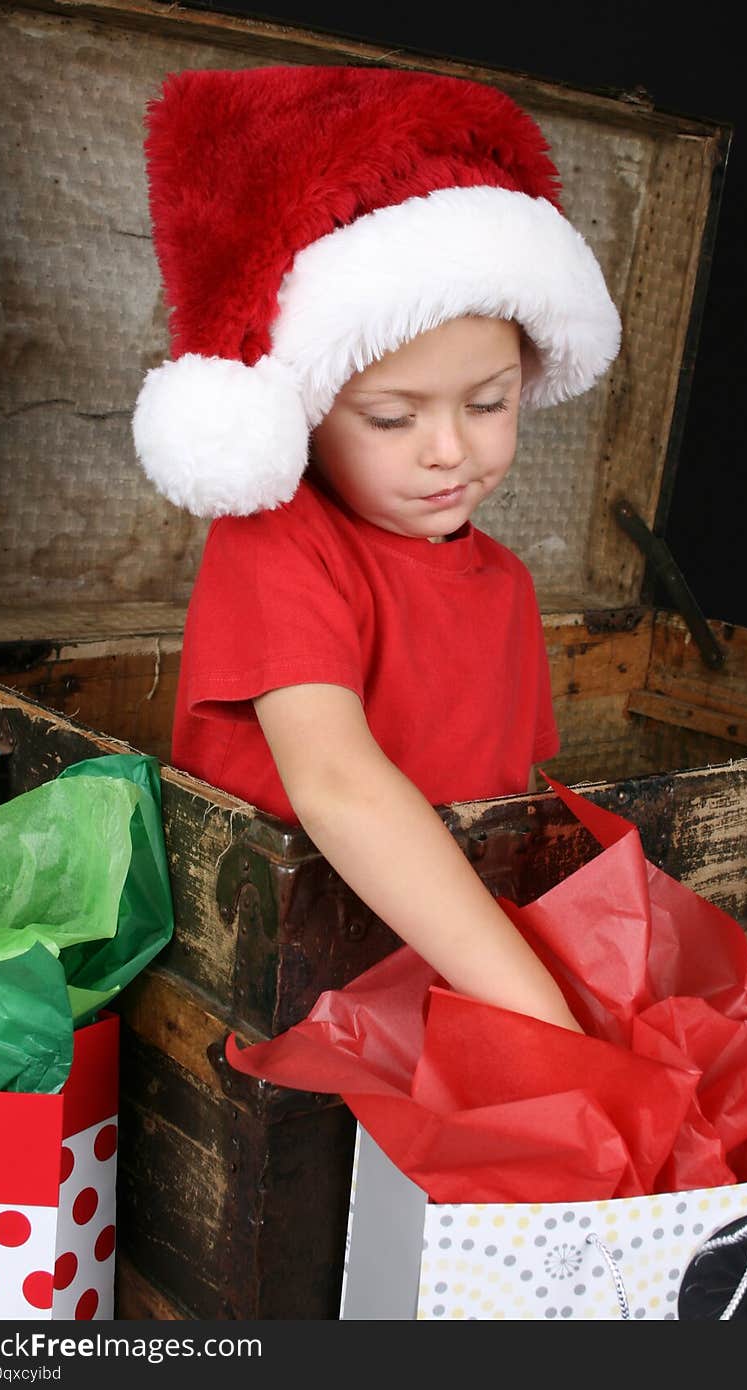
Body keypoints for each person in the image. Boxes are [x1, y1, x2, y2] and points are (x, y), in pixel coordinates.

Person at [132, 65, 621, 1031]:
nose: (452, 449)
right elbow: (338, 784)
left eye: (489, 404)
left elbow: (507, 818)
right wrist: (535, 1006)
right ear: (306, 413)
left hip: (454, 981)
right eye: (393, 419)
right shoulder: (277, 547)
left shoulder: (509, 585)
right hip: (298, 992)